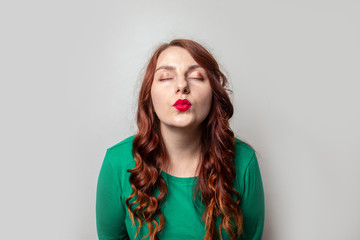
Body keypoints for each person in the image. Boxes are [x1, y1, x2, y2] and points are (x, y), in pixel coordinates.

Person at [96, 39, 265, 240]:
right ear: (149, 95)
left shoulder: (244, 162)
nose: (182, 85)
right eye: (166, 77)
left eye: (196, 76)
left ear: (213, 93)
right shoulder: (117, 162)